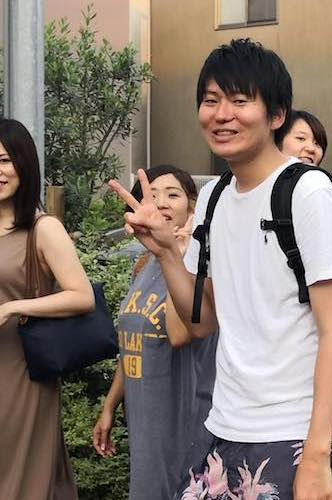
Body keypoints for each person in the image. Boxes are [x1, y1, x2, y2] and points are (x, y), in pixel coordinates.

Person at [110, 39, 332, 499]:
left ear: (276, 115)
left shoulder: (309, 194)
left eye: (240, 101)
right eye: (211, 100)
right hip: (221, 426)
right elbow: (201, 321)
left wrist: (317, 453)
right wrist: (166, 251)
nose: (222, 115)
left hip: (290, 433)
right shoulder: (215, 197)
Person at [92, 165, 218, 499]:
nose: (161, 202)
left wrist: (176, 254)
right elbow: (132, 343)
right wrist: (110, 405)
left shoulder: (200, 265)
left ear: (192, 208)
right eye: (152, 195)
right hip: (144, 418)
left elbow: (179, 335)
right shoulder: (143, 265)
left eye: (172, 195)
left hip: (185, 421)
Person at [0, 118, 95, 499]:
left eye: (5, 161)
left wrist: (12, 307)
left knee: (20, 476)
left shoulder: (43, 228)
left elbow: (82, 295)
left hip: (20, 372)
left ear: (24, 164)